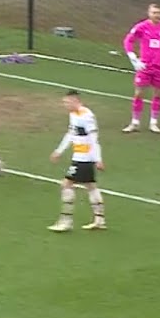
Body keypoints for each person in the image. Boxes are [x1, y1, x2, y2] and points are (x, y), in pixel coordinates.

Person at [122, 3, 160, 134]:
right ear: (149, 13)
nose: (156, 15)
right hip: (144, 66)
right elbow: (128, 40)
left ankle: (154, 123)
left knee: (157, 94)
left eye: (158, 13)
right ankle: (135, 122)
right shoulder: (141, 27)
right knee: (138, 93)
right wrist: (134, 58)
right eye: (154, 12)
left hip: (159, 68)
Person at [49, 90, 105, 232]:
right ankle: (99, 220)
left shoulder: (87, 116)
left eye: (67, 102)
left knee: (66, 184)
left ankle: (66, 221)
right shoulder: (73, 114)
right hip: (80, 156)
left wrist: (98, 159)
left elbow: (94, 139)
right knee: (91, 186)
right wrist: (59, 151)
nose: (65, 105)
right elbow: (70, 134)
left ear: (76, 101)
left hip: (84, 158)